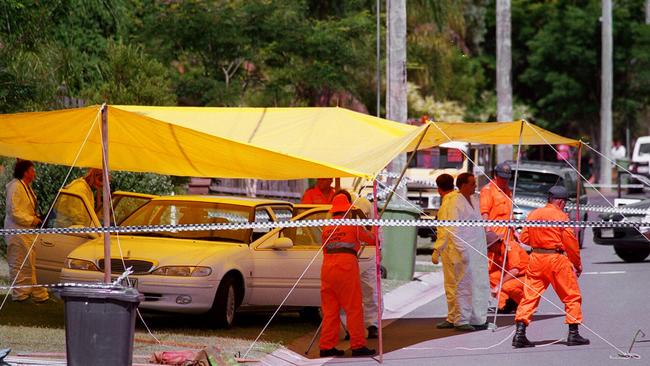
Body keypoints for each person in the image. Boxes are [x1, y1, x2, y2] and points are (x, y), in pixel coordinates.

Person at [512, 185, 589, 348]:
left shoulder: (533, 214)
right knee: (571, 296)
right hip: (556, 259)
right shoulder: (561, 217)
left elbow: (524, 238)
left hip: (536, 259)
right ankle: (573, 334)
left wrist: (539, 240)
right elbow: (571, 243)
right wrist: (577, 264)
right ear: (560, 202)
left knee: (529, 297)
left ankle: (520, 334)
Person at [319, 193, 376, 357]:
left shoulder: (326, 228)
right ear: (347, 209)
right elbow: (372, 239)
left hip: (327, 269)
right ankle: (358, 345)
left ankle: (326, 347)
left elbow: (324, 249)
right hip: (346, 268)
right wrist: (374, 226)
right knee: (354, 308)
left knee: (330, 311)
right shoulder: (352, 224)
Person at [432, 173, 489, 331]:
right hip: (461, 250)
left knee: (479, 284)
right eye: (472, 184)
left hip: (477, 249)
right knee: (461, 284)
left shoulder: (476, 200)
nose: (475, 186)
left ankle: (477, 318)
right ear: (462, 185)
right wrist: (457, 250)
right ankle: (460, 319)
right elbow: (451, 228)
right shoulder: (453, 202)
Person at [4, 160, 49, 302]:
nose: (34, 173)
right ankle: (19, 294)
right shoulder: (15, 187)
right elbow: (14, 211)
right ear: (25, 172)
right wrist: (31, 220)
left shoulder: (25, 187)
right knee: (18, 262)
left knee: (29, 263)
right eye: (32, 170)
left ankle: (36, 293)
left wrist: (34, 219)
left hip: (26, 231)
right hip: (17, 232)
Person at [341, 195, 380, 339]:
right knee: (350, 293)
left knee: (369, 290)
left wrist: (378, 247)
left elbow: (375, 227)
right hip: (349, 254)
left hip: (365, 251)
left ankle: (372, 325)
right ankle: (351, 328)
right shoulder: (335, 210)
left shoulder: (363, 204)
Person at [486, 231, 529, 313]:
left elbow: (515, 270)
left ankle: (524, 304)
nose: (489, 250)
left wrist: (498, 286)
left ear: (495, 243)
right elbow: (492, 271)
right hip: (515, 277)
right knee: (492, 277)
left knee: (506, 286)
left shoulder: (510, 247)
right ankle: (505, 304)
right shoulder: (497, 252)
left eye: (489, 247)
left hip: (526, 277)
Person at [480, 162, 513, 239]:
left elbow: (509, 214)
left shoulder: (508, 191)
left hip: (508, 238)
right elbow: (484, 213)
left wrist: (514, 231)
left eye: (507, 178)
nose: (505, 181)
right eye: (502, 178)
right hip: (496, 240)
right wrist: (488, 233)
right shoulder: (488, 190)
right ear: (495, 176)